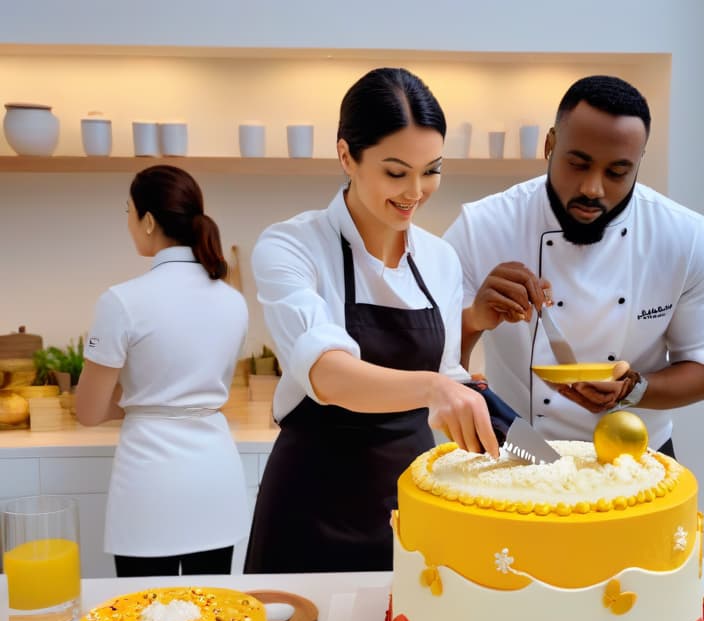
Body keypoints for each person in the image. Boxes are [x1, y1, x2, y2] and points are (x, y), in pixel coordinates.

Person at [244, 67, 498, 574]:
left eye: (432, 169)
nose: (417, 191)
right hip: (310, 502)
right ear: (346, 157)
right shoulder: (292, 245)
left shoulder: (441, 259)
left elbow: (447, 373)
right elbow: (328, 374)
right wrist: (435, 388)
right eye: (396, 172)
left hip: (410, 499)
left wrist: (544, 462)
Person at [448, 75, 704, 456]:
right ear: (550, 145)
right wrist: (474, 319)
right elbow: (430, 358)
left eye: (617, 172)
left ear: (638, 163)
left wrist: (636, 390)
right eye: (578, 164)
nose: (593, 188)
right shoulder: (481, 226)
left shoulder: (684, 235)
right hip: (519, 457)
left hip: (637, 459)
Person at [76, 164, 249, 577]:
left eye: (129, 212)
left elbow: (88, 410)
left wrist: (141, 400)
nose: (129, 223)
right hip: (216, 478)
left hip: (148, 486)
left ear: (148, 220)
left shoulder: (121, 301)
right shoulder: (233, 301)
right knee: (211, 618)